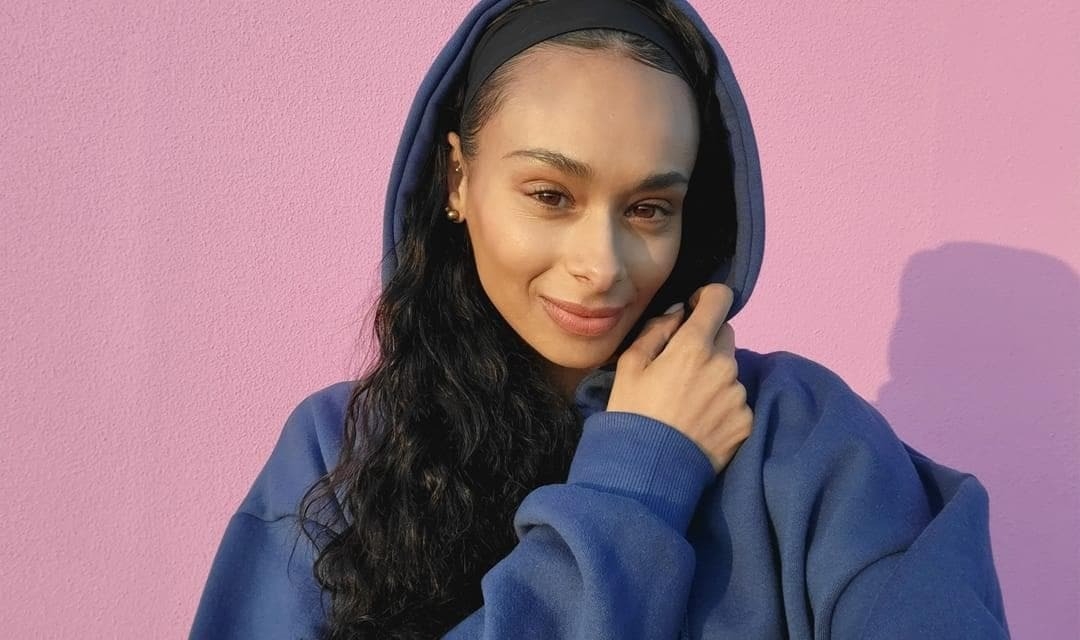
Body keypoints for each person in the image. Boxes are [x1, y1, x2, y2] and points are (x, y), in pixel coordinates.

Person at [189, 0, 1010, 638]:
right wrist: (641, 477)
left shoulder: (808, 444)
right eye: (551, 195)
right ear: (457, 180)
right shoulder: (338, 457)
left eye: (651, 208)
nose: (605, 264)